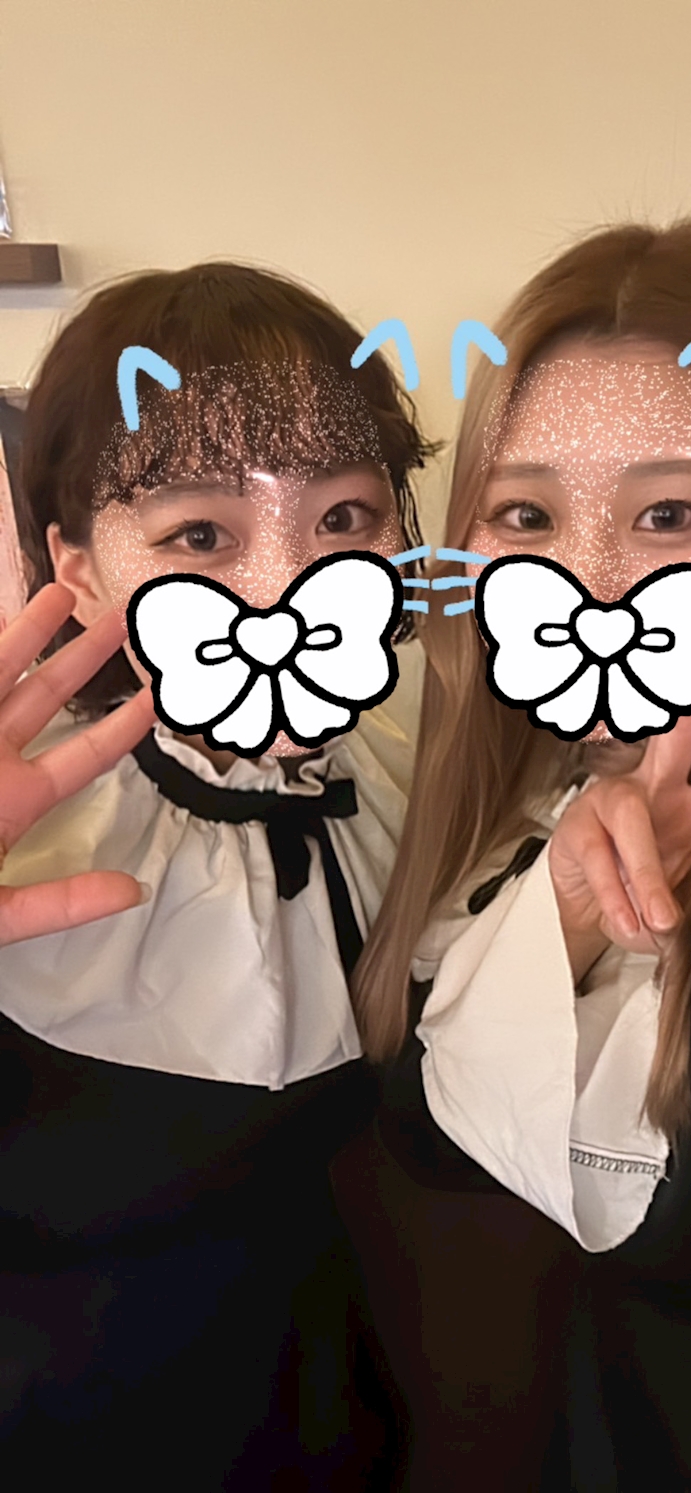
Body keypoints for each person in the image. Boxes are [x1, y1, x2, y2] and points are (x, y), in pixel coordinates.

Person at [331, 219, 691, 1491]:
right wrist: (563, 906)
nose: (590, 582)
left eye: (670, 514)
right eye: (529, 513)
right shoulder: (525, 762)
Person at [0, 261, 432, 1490]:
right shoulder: (26, 824)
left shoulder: (411, 772)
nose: (285, 593)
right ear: (79, 567)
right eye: (201, 534)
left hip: (324, 1414)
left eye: (344, 519)